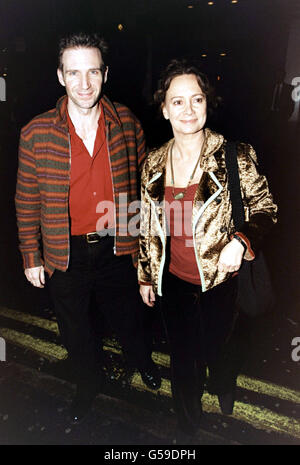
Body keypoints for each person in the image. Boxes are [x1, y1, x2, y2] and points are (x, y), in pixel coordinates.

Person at [15, 32, 161, 424]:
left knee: (129, 317)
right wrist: (32, 256)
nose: (84, 83)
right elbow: (26, 200)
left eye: (92, 72)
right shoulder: (35, 133)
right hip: (65, 252)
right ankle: (87, 382)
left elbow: (144, 190)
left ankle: (141, 359)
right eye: (74, 72)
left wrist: (143, 249)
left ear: (105, 74)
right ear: (60, 76)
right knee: (75, 328)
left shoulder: (127, 123)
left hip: (117, 245)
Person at [138, 59, 277, 440]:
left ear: (206, 103)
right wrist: (146, 274)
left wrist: (242, 241)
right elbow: (147, 225)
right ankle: (187, 425)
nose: (188, 110)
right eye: (177, 101)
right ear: (164, 108)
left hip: (221, 280)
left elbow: (266, 209)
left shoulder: (234, 155)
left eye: (196, 99)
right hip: (174, 282)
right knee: (183, 360)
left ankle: (224, 380)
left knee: (218, 350)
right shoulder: (151, 162)